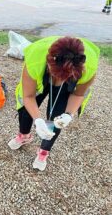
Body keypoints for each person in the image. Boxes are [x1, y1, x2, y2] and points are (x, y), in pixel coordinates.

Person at [8, 36, 100, 171]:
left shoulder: (89, 67)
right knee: (26, 111)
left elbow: (79, 94)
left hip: (68, 80)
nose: (57, 81)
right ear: (49, 62)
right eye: (56, 76)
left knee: (58, 118)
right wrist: (38, 120)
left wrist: (68, 115)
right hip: (41, 75)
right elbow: (28, 96)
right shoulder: (35, 59)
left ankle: (44, 151)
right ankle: (24, 135)